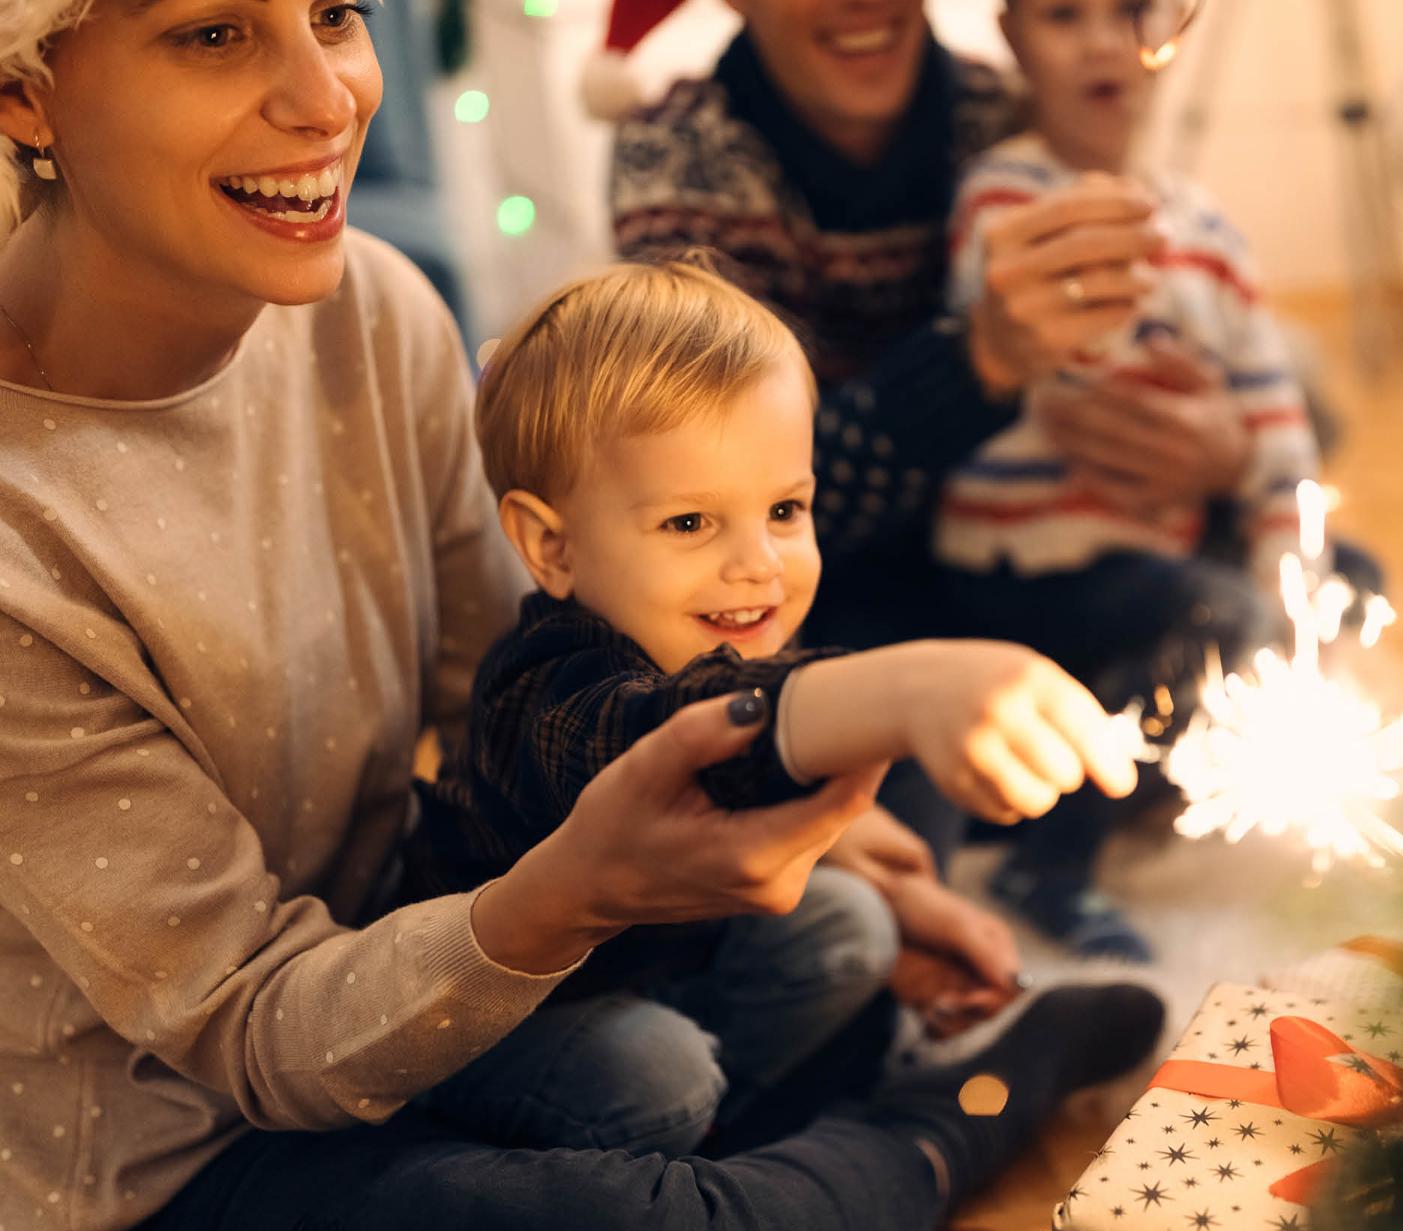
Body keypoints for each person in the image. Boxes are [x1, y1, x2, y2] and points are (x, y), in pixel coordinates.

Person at [0, 3, 1163, 1229]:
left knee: (815, 946)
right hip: (172, 1150)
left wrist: (804, 826)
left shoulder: (367, 309)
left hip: (408, 967)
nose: (328, 98)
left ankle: (767, 1129)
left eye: (335, 14)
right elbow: (246, 1029)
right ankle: (952, 1118)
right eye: (214, 35)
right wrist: (586, 889)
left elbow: (536, 683)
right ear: (25, 92)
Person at [402, 258, 1144, 1136]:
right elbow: (683, 725)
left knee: (852, 925)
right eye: (689, 522)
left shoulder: (725, 631)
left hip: (675, 969)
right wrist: (909, 687)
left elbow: (771, 747)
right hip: (499, 1029)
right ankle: (749, 1150)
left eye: (785, 511)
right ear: (550, 546)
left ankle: (755, 1125)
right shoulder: (551, 688)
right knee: (653, 1067)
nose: (760, 564)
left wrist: (894, 878)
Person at [608, 0, 1247, 864]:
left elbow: (1211, 339)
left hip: (1041, 548)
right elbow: (725, 509)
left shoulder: (1004, 111)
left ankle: (1066, 798)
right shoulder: (682, 155)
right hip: (837, 591)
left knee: (1289, 587)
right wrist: (977, 361)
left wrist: (1221, 452)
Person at [931, 0, 1322, 959]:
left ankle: (1140, 771)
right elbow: (1063, 356)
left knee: (1313, 597)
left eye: (1128, 13)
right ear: (1013, 38)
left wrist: (1293, 591)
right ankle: (1048, 858)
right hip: (1019, 567)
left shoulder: (1211, 229)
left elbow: (1273, 418)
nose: (1103, 41)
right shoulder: (1003, 194)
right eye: (1065, 16)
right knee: (1219, 621)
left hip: (1148, 565)